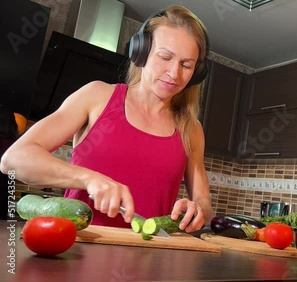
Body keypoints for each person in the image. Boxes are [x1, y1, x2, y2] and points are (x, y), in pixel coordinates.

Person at [0, 5, 213, 232]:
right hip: (77, 253)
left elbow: (205, 205)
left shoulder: (191, 129)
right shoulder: (97, 96)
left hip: (151, 259)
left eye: (186, 65)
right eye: (165, 57)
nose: (174, 73)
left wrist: (198, 209)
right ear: (141, 52)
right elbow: (13, 159)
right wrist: (88, 179)